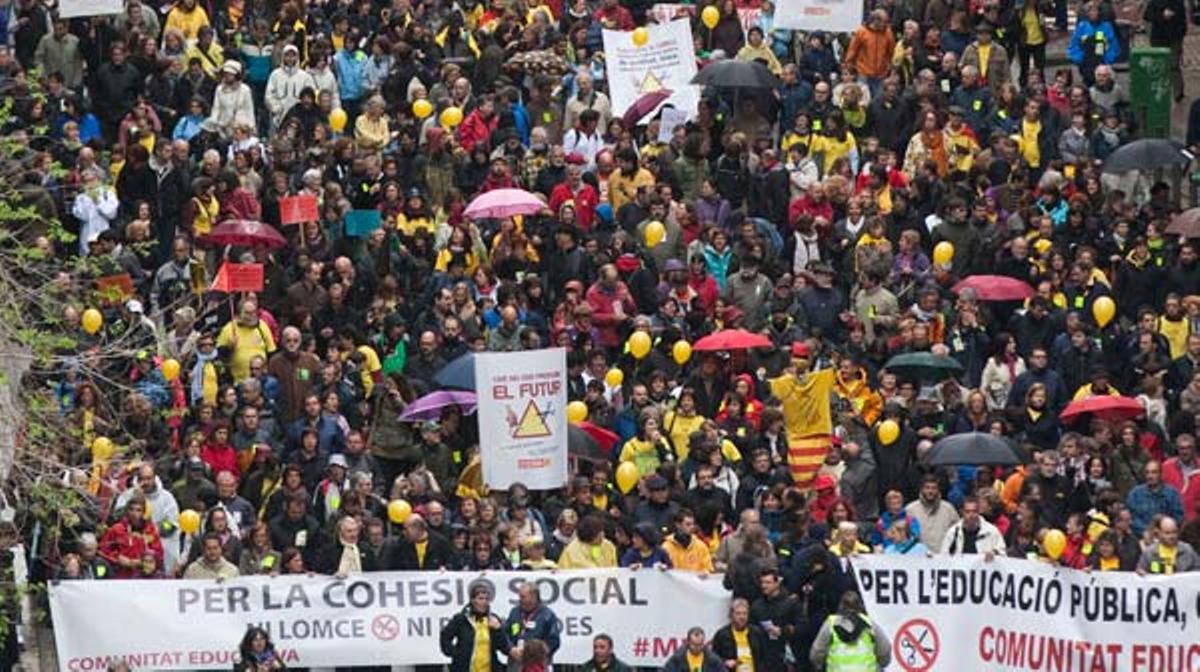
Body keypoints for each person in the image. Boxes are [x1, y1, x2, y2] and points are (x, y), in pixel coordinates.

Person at [439, 581, 511, 672]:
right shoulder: (461, 619)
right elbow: (445, 636)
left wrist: (498, 630)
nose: (484, 602)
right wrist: (456, 654)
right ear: (473, 600)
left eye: (486, 599)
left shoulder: (493, 619)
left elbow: (504, 647)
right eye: (480, 599)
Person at [810, 592, 891, 671]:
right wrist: (881, 664)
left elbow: (816, 652)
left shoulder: (831, 624)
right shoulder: (869, 624)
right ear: (860, 605)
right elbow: (885, 649)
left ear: (841, 605)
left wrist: (819, 666)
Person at [503, 582, 561, 669]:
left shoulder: (547, 615)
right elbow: (505, 634)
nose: (520, 599)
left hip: (537, 665)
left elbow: (554, 641)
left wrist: (536, 653)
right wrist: (511, 649)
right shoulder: (514, 612)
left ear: (534, 597)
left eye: (523, 597)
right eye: (520, 596)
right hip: (516, 663)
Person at [711, 598, 768, 671]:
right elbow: (713, 660)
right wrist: (725, 662)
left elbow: (765, 658)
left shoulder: (757, 633)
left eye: (745, 613)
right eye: (738, 613)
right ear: (731, 615)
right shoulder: (722, 635)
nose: (742, 617)